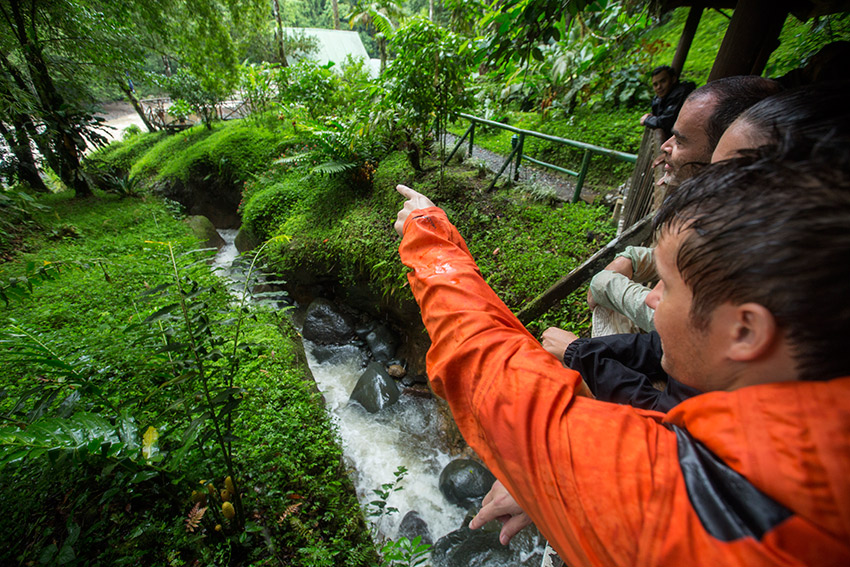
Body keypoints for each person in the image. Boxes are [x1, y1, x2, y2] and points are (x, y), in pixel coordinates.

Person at [394, 152, 850, 566]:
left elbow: (497, 378)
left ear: (745, 330)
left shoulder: (684, 496)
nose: (650, 301)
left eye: (667, 286)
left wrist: (430, 239)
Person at [555, 76, 782, 339]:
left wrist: (606, 287)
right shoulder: (723, 206)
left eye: (681, 140)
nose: (665, 147)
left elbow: (682, 321)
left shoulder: (753, 230)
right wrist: (634, 258)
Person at [639, 65, 695, 138]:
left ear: (673, 79)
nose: (659, 87)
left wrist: (647, 119)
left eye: (663, 81)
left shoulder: (680, 94)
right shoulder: (662, 97)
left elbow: (666, 122)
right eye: (655, 84)